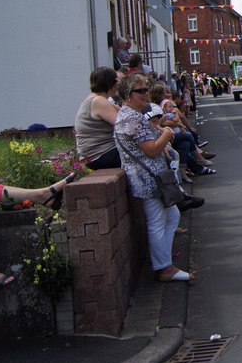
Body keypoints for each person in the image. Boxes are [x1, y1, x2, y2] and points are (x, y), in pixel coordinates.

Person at [114, 74, 193, 282]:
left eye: (147, 89)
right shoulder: (132, 118)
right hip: (148, 180)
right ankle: (163, 267)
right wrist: (166, 134)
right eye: (141, 91)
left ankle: (165, 262)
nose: (146, 94)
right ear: (128, 94)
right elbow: (150, 150)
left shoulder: (130, 115)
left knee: (172, 216)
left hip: (151, 178)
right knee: (157, 222)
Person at [75, 67, 123, 169]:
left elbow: (127, 114)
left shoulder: (95, 98)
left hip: (97, 155)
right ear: (111, 83)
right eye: (117, 82)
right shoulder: (98, 101)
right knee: (144, 154)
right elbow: (123, 124)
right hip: (100, 155)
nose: (117, 85)